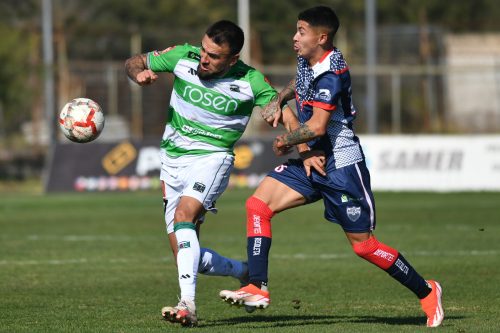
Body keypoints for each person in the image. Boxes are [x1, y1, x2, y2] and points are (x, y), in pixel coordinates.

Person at [219, 6, 444, 328]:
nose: (294, 37)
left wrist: (286, 141)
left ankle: (427, 291)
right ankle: (257, 286)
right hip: (313, 159)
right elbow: (300, 82)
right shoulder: (309, 60)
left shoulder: (333, 73)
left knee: (364, 246)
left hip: (341, 166)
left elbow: (320, 126)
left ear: (321, 37)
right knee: (257, 205)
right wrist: (280, 99)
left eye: (301, 31)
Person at [125, 20, 292, 327]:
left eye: (214, 56)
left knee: (184, 217)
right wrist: (139, 73)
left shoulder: (250, 80)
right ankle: (243, 272)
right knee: (186, 254)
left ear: (233, 60)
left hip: (212, 159)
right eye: (203, 50)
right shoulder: (182, 57)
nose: (204, 58)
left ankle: (187, 305)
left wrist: (295, 139)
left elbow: (280, 110)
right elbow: (134, 60)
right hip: (172, 162)